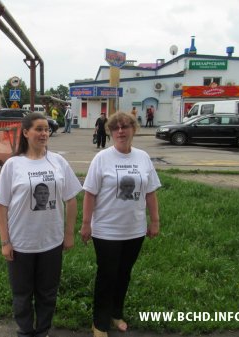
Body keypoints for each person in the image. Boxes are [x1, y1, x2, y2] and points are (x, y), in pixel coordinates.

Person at [0, 112, 82, 337]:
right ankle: (25, 331)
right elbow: (1, 206)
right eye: (38, 129)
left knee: (47, 293)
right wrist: (5, 241)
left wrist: (68, 234)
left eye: (46, 129)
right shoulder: (13, 165)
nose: (44, 133)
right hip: (21, 243)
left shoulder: (58, 162)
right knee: (22, 294)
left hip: (51, 242)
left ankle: (43, 331)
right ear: (25, 133)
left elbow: (71, 199)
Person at [80, 111, 161, 337]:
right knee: (107, 275)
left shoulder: (142, 157)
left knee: (124, 274)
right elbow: (89, 194)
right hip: (106, 231)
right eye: (115, 128)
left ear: (134, 129)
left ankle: (116, 313)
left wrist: (154, 221)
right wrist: (86, 224)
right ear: (110, 131)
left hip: (134, 230)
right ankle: (100, 322)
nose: (120, 131)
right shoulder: (102, 159)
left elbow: (151, 192)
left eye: (125, 127)